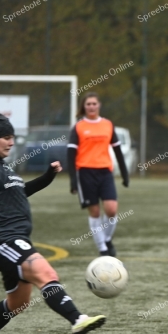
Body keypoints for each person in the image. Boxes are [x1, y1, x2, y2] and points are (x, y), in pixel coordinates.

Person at [0, 113, 106, 334]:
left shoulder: (3, 167)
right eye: (6, 137)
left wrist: (47, 177)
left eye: (12, 137)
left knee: (18, 302)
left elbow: (20, 193)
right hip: (2, 239)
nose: (11, 142)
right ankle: (77, 319)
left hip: (17, 238)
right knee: (46, 273)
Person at [67, 92, 129, 257]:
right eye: (88, 104)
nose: (92, 107)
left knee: (111, 209)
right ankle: (103, 250)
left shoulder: (108, 125)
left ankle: (107, 239)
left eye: (94, 103)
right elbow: (71, 155)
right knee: (94, 212)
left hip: (105, 172)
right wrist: (73, 180)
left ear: (99, 105)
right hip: (85, 173)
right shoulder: (79, 127)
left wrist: (124, 174)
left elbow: (117, 150)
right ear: (84, 107)